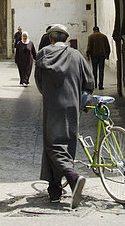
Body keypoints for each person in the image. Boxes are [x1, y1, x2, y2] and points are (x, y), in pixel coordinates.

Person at [35, 24, 94, 209]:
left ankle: (73, 177)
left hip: (53, 105)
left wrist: (50, 93)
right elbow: (89, 81)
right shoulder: (76, 55)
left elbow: (39, 82)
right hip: (72, 106)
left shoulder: (44, 54)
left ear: (51, 39)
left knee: (52, 145)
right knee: (67, 143)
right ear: (65, 39)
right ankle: (54, 190)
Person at [86, 26, 111, 90]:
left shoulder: (91, 37)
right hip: (102, 55)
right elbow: (107, 46)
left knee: (94, 70)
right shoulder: (104, 36)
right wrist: (107, 55)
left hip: (94, 56)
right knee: (101, 70)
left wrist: (88, 55)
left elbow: (89, 47)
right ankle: (100, 85)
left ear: (93, 30)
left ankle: (95, 85)